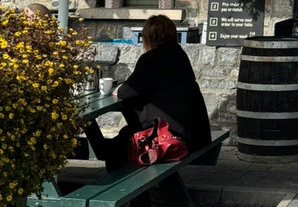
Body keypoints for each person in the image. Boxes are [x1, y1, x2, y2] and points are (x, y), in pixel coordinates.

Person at [90, 15, 211, 175]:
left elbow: (129, 91)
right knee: (123, 138)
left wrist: (118, 89)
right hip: (194, 133)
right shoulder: (178, 54)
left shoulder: (152, 58)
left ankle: (133, 196)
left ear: (148, 37)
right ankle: (139, 196)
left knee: (114, 150)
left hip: (169, 135)